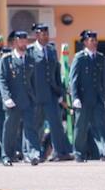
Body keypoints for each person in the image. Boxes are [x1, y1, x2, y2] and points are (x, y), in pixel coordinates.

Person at [28, 24, 73, 162]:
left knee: (56, 125)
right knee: (35, 126)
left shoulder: (52, 50)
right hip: (36, 95)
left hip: (51, 95)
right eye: (43, 34)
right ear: (36, 35)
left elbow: (56, 73)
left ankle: (60, 152)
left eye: (47, 34)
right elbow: (28, 76)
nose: (46, 37)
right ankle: (33, 153)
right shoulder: (30, 51)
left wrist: (61, 93)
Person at [69, 30, 105, 162]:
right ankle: (79, 153)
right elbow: (73, 79)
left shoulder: (100, 57)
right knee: (81, 127)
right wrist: (75, 97)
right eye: (91, 41)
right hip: (82, 98)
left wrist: (103, 95)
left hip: (97, 98)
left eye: (95, 40)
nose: (94, 43)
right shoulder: (79, 57)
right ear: (85, 42)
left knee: (101, 125)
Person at [0, 31, 38, 166]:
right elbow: (2, 80)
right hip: (12, 101)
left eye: (25, 40)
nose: (23, 43)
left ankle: (32, 154)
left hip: (28, 100)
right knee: (10, 129)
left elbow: (33, 81)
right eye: (21, 40)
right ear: (15, 42)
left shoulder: (30, 59)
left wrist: (34, 97)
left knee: (30, 128)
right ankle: (6, 155)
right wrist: (6, 97)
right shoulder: (7, 59)